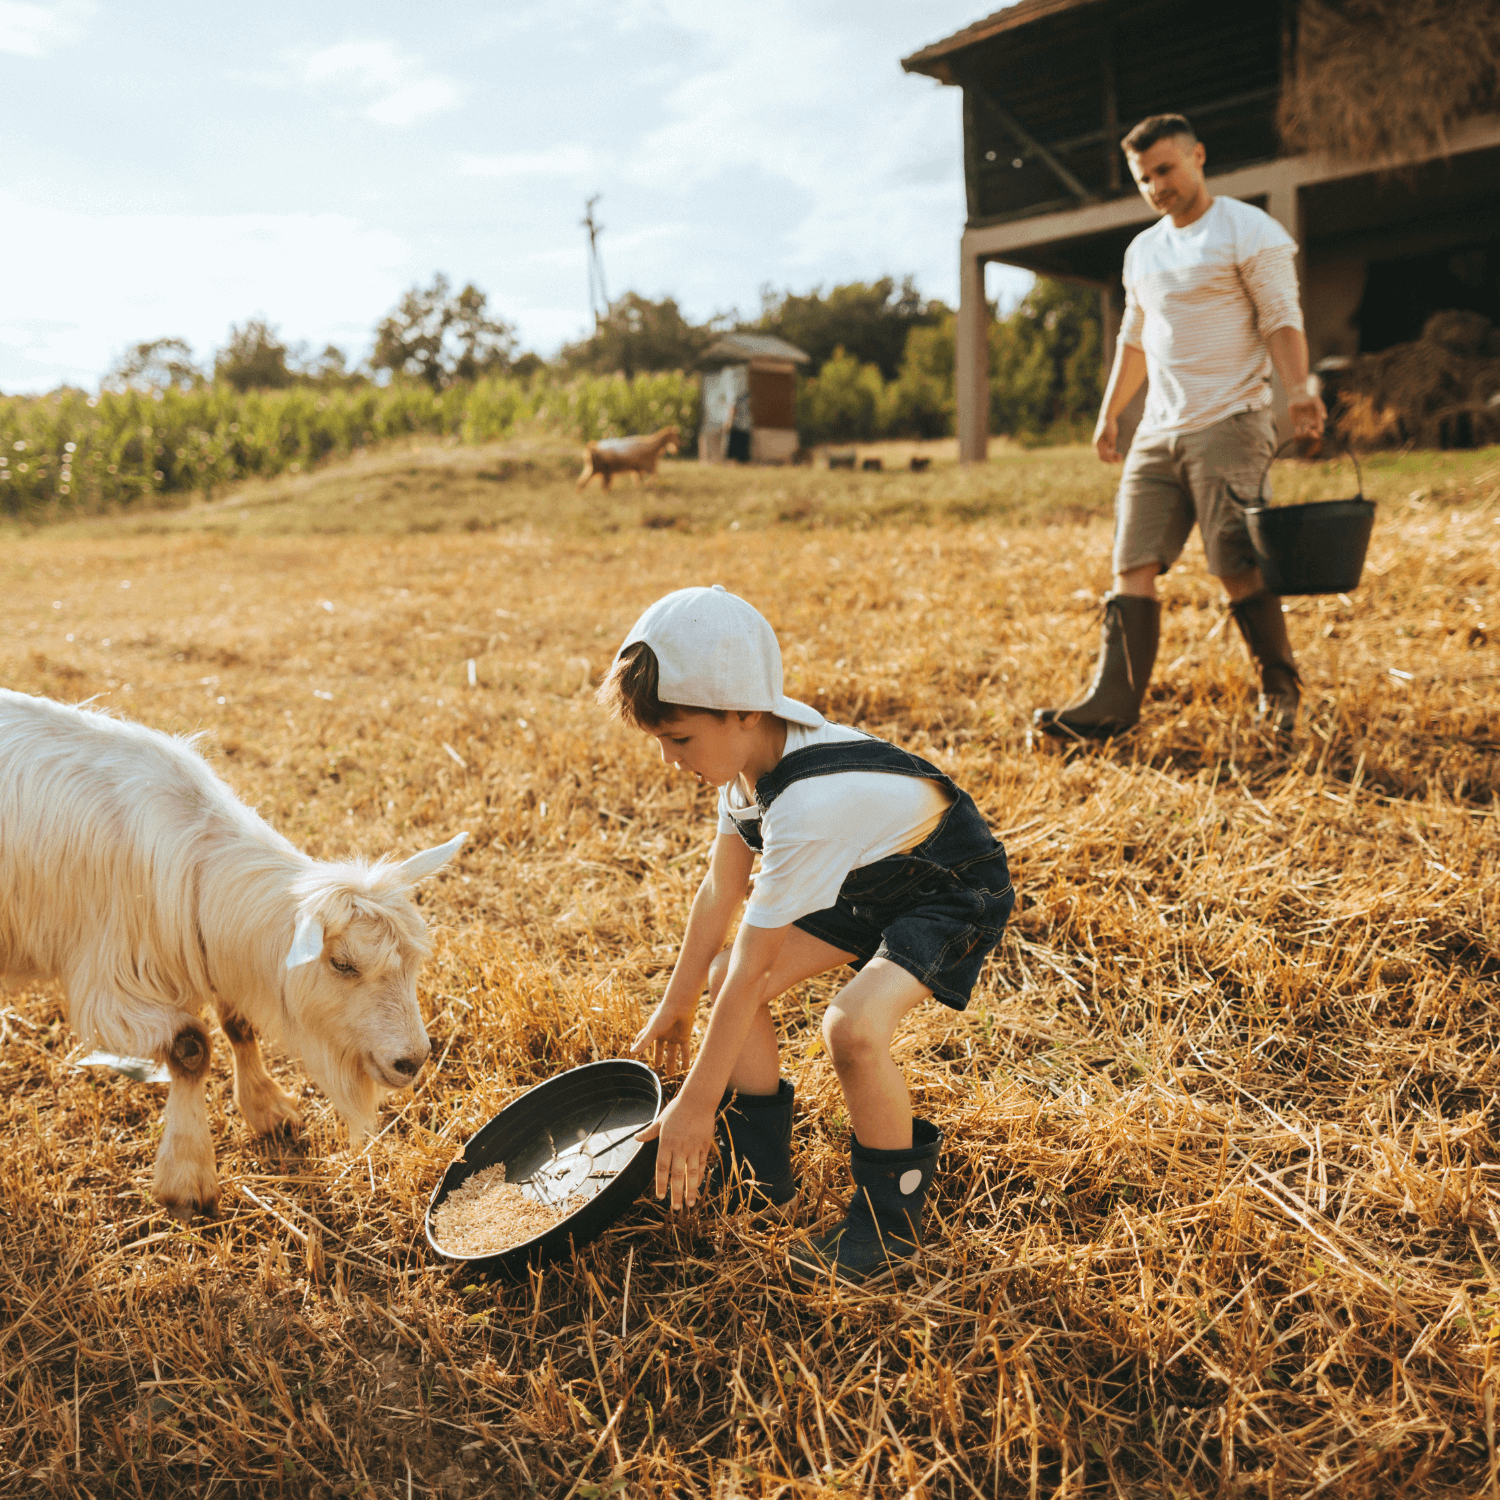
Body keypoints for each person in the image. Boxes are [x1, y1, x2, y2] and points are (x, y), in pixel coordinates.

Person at [596, 585, 1014, 1284]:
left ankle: (890, 1224)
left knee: (851, 1027)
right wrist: (677, 1001)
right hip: (864, 878)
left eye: (679, 738)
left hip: (948, 889)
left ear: (744, 711)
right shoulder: (744, 771)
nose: (670, 760)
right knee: (731, 967)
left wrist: (697, 1105)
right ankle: (763, 1178)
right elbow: (718, 891)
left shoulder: (808, 806)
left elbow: (756, 971)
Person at [1034, 113, 1327, 741]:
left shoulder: (1248, 230)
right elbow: (1133, 339)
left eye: (1165, 169)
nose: (1157, 186)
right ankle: (1111, 705)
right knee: (1130, 561)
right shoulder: (1143, 250)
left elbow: (1281, 316)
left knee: (1235, 564)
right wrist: (1111, 412)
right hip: (1158, 432)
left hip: (1231, 421)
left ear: (1198, 156)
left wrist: (1298, 393)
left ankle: (1280, 690)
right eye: (1145, 178)